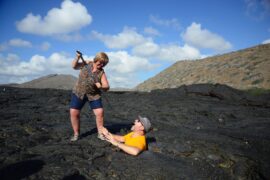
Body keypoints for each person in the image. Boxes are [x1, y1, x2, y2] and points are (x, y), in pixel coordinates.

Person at [70, 51, 110, 141]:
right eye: (100, 62)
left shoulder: (101, 73)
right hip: (79, 92)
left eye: (104, 63)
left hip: (93, 95)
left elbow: (107, 86)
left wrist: (101, 86)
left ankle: (100, 133)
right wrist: (77, 57)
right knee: (73, 112)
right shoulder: (86, 64)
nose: (102, 64)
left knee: (99, 112)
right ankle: (76, 134)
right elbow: (74, 66)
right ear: (96, 60)